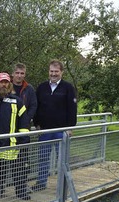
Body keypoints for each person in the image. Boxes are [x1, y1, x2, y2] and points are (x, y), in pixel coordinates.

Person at [32, 59, 77, 191]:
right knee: (43, 158)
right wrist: (37, 124)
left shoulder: (68, 88)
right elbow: (36, 106)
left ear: (61, 72)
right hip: (44, 130)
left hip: (61, 130)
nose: (53, 74)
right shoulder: (42, 87)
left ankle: (63, 185)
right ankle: (41, 183)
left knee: (63, 159)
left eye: (56, 71)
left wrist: (70, 127)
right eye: (51, 71)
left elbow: (72, 108)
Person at [0, 72, 31, 200]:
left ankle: (21, 191)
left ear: (9, 83)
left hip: (13, 143)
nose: (4, 85)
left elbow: (24, 122)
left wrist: (24, 141)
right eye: (1, 82)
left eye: (6, 82)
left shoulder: (17, 101)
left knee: (19, 170)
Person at [11, 63, 37, 127]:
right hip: (9, 122)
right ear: (13, 74)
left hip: (24, 124)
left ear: (25, 75)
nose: (19, 76)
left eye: (22, 73)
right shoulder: (6, 87)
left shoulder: (29, 89)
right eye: (17, 73)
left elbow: (33, 106)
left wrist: (26, 119)